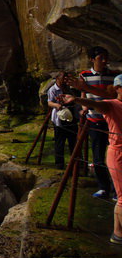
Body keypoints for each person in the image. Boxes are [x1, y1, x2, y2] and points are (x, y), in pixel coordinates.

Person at [63, 73, 122, 245]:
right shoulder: (111, 105)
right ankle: (118, 232)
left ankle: (118, 232)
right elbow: (95, 104)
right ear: (118, 88)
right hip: (117, 154)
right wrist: (76, 99)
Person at [78, 47, 118, 200]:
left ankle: (116, 189)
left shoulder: (114, 76)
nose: (105, 60)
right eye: (101, 57)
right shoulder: (85, 75)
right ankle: (103, 188)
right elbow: (83, 95)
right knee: (98, 156)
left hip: (112, 121)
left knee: (115, 156)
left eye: (106, 57)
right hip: (94, 120)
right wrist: (84, 108)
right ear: (92, 59)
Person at [47, 72, 79, 168]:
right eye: (63, 79)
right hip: (60, 118)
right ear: (57, 78)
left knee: (73, 141)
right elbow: (49, 102)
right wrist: (57, 105)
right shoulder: (53, 89)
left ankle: (76, 163)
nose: (65, 81)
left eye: (66, 79)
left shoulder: (68, 89)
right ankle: (59, 164)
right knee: (60, 142)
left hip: (71, 117)